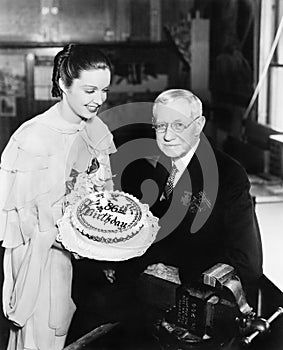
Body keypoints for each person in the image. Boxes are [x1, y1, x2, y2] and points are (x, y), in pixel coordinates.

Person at [0, 43, 116, 350]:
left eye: (104, 90)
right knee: (44, 337)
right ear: (63, 84)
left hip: (87, 259)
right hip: (44, 259)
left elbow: (103, 190)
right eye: (90, 90)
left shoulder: (96, 130)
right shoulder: (33, 137)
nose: (99, 100)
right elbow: (24, 221)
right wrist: (74, 238)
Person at [121, 89, 263, 308]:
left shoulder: (228, 175)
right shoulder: (158, 165)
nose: (167, 136)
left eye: (179, 125)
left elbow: (247, 263)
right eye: (161, 126)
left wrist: (182, 273)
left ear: (199, 125)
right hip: (153, 291)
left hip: (203, 301)